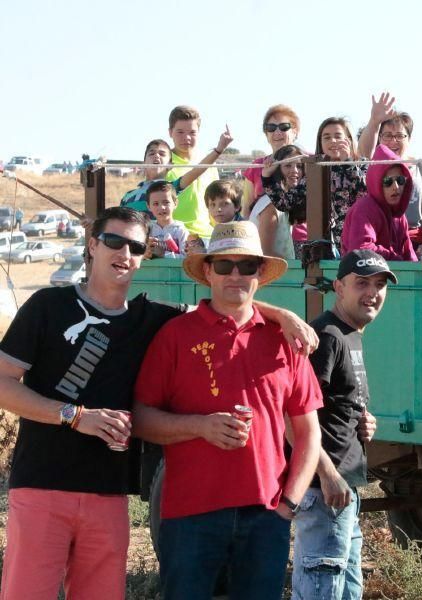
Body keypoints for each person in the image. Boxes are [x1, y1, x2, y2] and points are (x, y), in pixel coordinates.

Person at [0, 207, 317, 600]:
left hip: (109, 494)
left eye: (136, 246)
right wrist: (74, 416)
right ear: (92, 245)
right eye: (115, 241)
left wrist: (281, 314)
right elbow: (2, 384)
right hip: (42, 485)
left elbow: (229, 306)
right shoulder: (49, 305)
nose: (125, 253)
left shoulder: (151, 318)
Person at [132, 221, 324, 600]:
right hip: (190, 517)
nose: (235, 275)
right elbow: (140, 419)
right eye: (224, 265)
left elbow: (309, 432)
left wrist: (288, 504)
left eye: (247, 266)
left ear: (259, 275)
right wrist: (200, 427)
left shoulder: (285, 339)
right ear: (207, 271)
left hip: (265, 516)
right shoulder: (175, 336)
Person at [292, 249, 393, 600]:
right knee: (323, 588)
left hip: (342, 488)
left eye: (380, 284)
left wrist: (361, 420)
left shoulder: (350, 333)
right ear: (339, 287)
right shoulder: (328, 336)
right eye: (361, 283)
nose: (373, 292)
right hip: (325, 491)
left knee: (346, 589)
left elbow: (333, 404)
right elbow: (294, 414)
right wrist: (327, 473)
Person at [266, 117, 367, 249]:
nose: (333, 141)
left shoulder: (363, 164)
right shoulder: (315, 171)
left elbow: (364, 194)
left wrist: (347, 163)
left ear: (348, 139)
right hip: (326, 247)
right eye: (326, 137)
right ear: (320, 142)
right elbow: (285, 203)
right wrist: (267, 177)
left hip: (359, 241)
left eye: (338, 136)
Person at [357, 97, 422, 250]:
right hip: (381, 241)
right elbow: (362, 152)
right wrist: (374, 121)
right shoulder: (374, 166)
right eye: (387, 135)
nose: (393, 141)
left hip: (417, 243)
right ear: (379, 139)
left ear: (409, 139)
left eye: (400, 136)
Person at [121, 127, 232, 217]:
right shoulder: (128, 195)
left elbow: (197, 170)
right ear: (144, 163)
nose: (156, 156)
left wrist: (219, 149)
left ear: (170, 166)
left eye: (162, 154)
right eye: (151, 153)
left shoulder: (171, 188)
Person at [341, 145, 417, 261]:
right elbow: (361, 250)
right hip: (361, 277)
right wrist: (396, 258)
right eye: (388, 182)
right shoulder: (364, 209)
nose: (396, 187)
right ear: (375, 182)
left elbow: (409, 255)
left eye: (400, 180)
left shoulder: (399, 216)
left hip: (389, 276)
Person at [167, 105, 221, 238]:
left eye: (192, 132)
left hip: (207, 237)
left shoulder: (210, 163)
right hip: (174, 238)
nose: (187, 138)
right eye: (180, 132)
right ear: (170, 132)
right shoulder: (162, 163)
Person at [240, 104, 303, 219]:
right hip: (263, 235)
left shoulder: (309, 161)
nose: (277, 132)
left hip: (305, 235)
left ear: (295, 131)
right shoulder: (255, 167)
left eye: (284, 127)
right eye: (271, 128)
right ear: (266, 134)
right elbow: (246, 210)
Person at [253, 144, 304, 259]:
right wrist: (294, 269)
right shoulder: (270, 205)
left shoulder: (287, 202)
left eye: (299, 166)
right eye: (288, 166)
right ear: (277, 170)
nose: (295, 171)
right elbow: (265, 252)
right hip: (275, 273)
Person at [145, 180, 189, 258]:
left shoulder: (180, 230)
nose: (161, 207)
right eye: (155, 204)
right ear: (148, 206)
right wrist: (145, 253)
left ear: (175, 203)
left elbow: (186, 258)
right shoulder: (147, 230)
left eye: (166, 202)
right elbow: (138, 257)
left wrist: (163, 254)